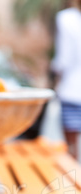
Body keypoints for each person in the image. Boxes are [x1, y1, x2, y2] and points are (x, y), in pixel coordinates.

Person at [51, 0, 81, 159]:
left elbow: (63, 59)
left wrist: (55, 74)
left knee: (71, 151)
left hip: (72, 90)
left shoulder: (66, 19)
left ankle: (74, 182)